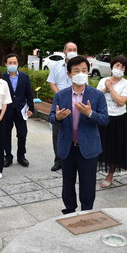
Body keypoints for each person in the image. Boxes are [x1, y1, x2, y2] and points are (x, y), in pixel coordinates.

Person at [49, 56, 109, 214]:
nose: (80, 73)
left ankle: (87, 212)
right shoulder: (61, 95)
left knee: (88, 184)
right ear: (69, 74)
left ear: (88, 72)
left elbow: (104, 119)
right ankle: (69, 210)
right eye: (76, 71)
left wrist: (90, 114)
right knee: (67, 182)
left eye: (84, 70)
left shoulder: (97, 95)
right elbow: (51, 116)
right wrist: (58, 118)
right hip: (67, 147)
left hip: (88, 148)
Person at [96, 55, 127, 188]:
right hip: (103, 117)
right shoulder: (103, 80)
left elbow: (121, 101)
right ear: (112, 66)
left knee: (114, 148)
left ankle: (110, 174)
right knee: (100, 145)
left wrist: (111, 88)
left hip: (118, 119)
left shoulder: (126, 83)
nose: (119, 68)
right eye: (117, 65)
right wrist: (106, 86)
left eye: (122, 67)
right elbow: (97, 98)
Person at [46, 42, 76, 171]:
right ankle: (58, 160)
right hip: (60, 101)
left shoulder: (80, 66)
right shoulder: (57, 65)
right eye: (70, 49)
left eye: (74, 49)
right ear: (64, 51)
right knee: (57, 132)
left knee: (74, 129)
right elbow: (52, 83)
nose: (72, 51)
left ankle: (71, 159)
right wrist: (61, 95)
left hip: (76, 101)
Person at [2, 53, 34, 167]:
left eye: (14, 63)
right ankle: (8, 156)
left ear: (18, 63)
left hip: (21, 110)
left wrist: (31, 108)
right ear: (6, 63)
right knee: (6, 134)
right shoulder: (2, 78)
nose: (12, 65)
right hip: (7, 110)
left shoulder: (25, 77)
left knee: (22, 134)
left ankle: (21, 156)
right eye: (10, 63)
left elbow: (29, 94)